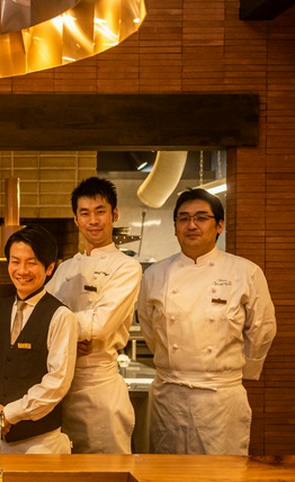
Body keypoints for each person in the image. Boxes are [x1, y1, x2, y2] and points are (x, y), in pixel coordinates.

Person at [138, 188, 276, 455]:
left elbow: (262, 329)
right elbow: (148, 327)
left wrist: (242, 370)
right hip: (169, 395)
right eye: (183, 218)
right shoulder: (155, 275)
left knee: (222, 474)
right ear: (175, 227)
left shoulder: (245, 271)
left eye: (201, 217)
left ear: (219, 225)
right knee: (169, 472)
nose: (191, 225)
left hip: (221, 398)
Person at [45, 177, 141, 453]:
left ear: (114, 214)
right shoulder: (65, 268)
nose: (93, 220)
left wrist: (59, 334)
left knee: (106, 472)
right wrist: (67, 340)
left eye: (100, 211)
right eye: (85, 213)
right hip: (59, 385)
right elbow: (39, 317)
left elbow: (100, 325)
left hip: (99, 387)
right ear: (76, 219)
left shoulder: (126, 267)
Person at [0, 226, 77, 454]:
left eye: (31, 263)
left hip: (41, 442)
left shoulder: (61, 316)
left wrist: (10, 414)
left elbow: (57, 382)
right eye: (15, 261)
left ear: (49, 268)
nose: (22, 270)